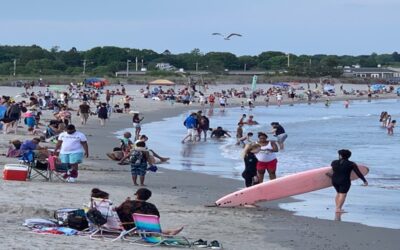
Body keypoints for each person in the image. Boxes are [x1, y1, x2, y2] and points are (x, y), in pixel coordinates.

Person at [116, 188, 184, 235]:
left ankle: (169, 231)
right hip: (147, 228)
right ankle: (169, 231)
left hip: (128, 226)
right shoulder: (151, 206)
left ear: (137, 195)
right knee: (146, 225)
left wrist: (125, 202)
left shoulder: (127, 203)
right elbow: (157, 217)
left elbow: (118, 211)